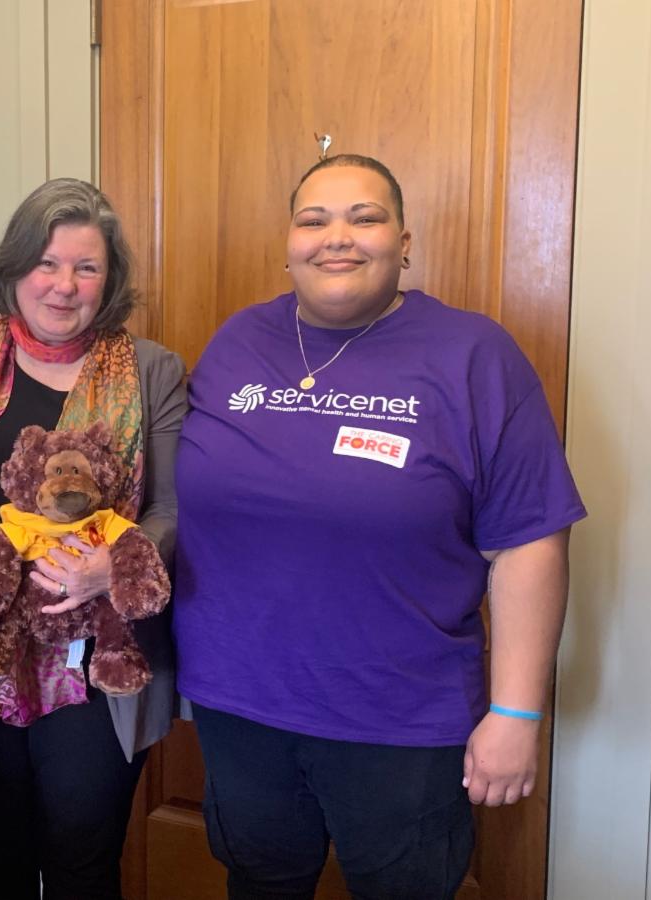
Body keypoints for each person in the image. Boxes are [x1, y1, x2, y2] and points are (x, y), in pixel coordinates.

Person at [172, 155, 586, 899]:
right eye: (314, 220)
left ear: (404, 241)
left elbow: (529, 541)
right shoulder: (239, 341)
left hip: (400, 715)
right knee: (259, 882)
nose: (338, 237)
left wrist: (516, 712)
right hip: (239, 703)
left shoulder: (474, 355)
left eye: (365, 218)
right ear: (289, 243)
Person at [0, 177, 187, 899]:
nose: (64, 286)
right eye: (46, 262)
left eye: (86, 267)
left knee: (82, 856)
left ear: (109, 280)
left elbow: (170, 507)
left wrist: (111, 567)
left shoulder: (153, 369)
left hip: (97, 657)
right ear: (14, 268)